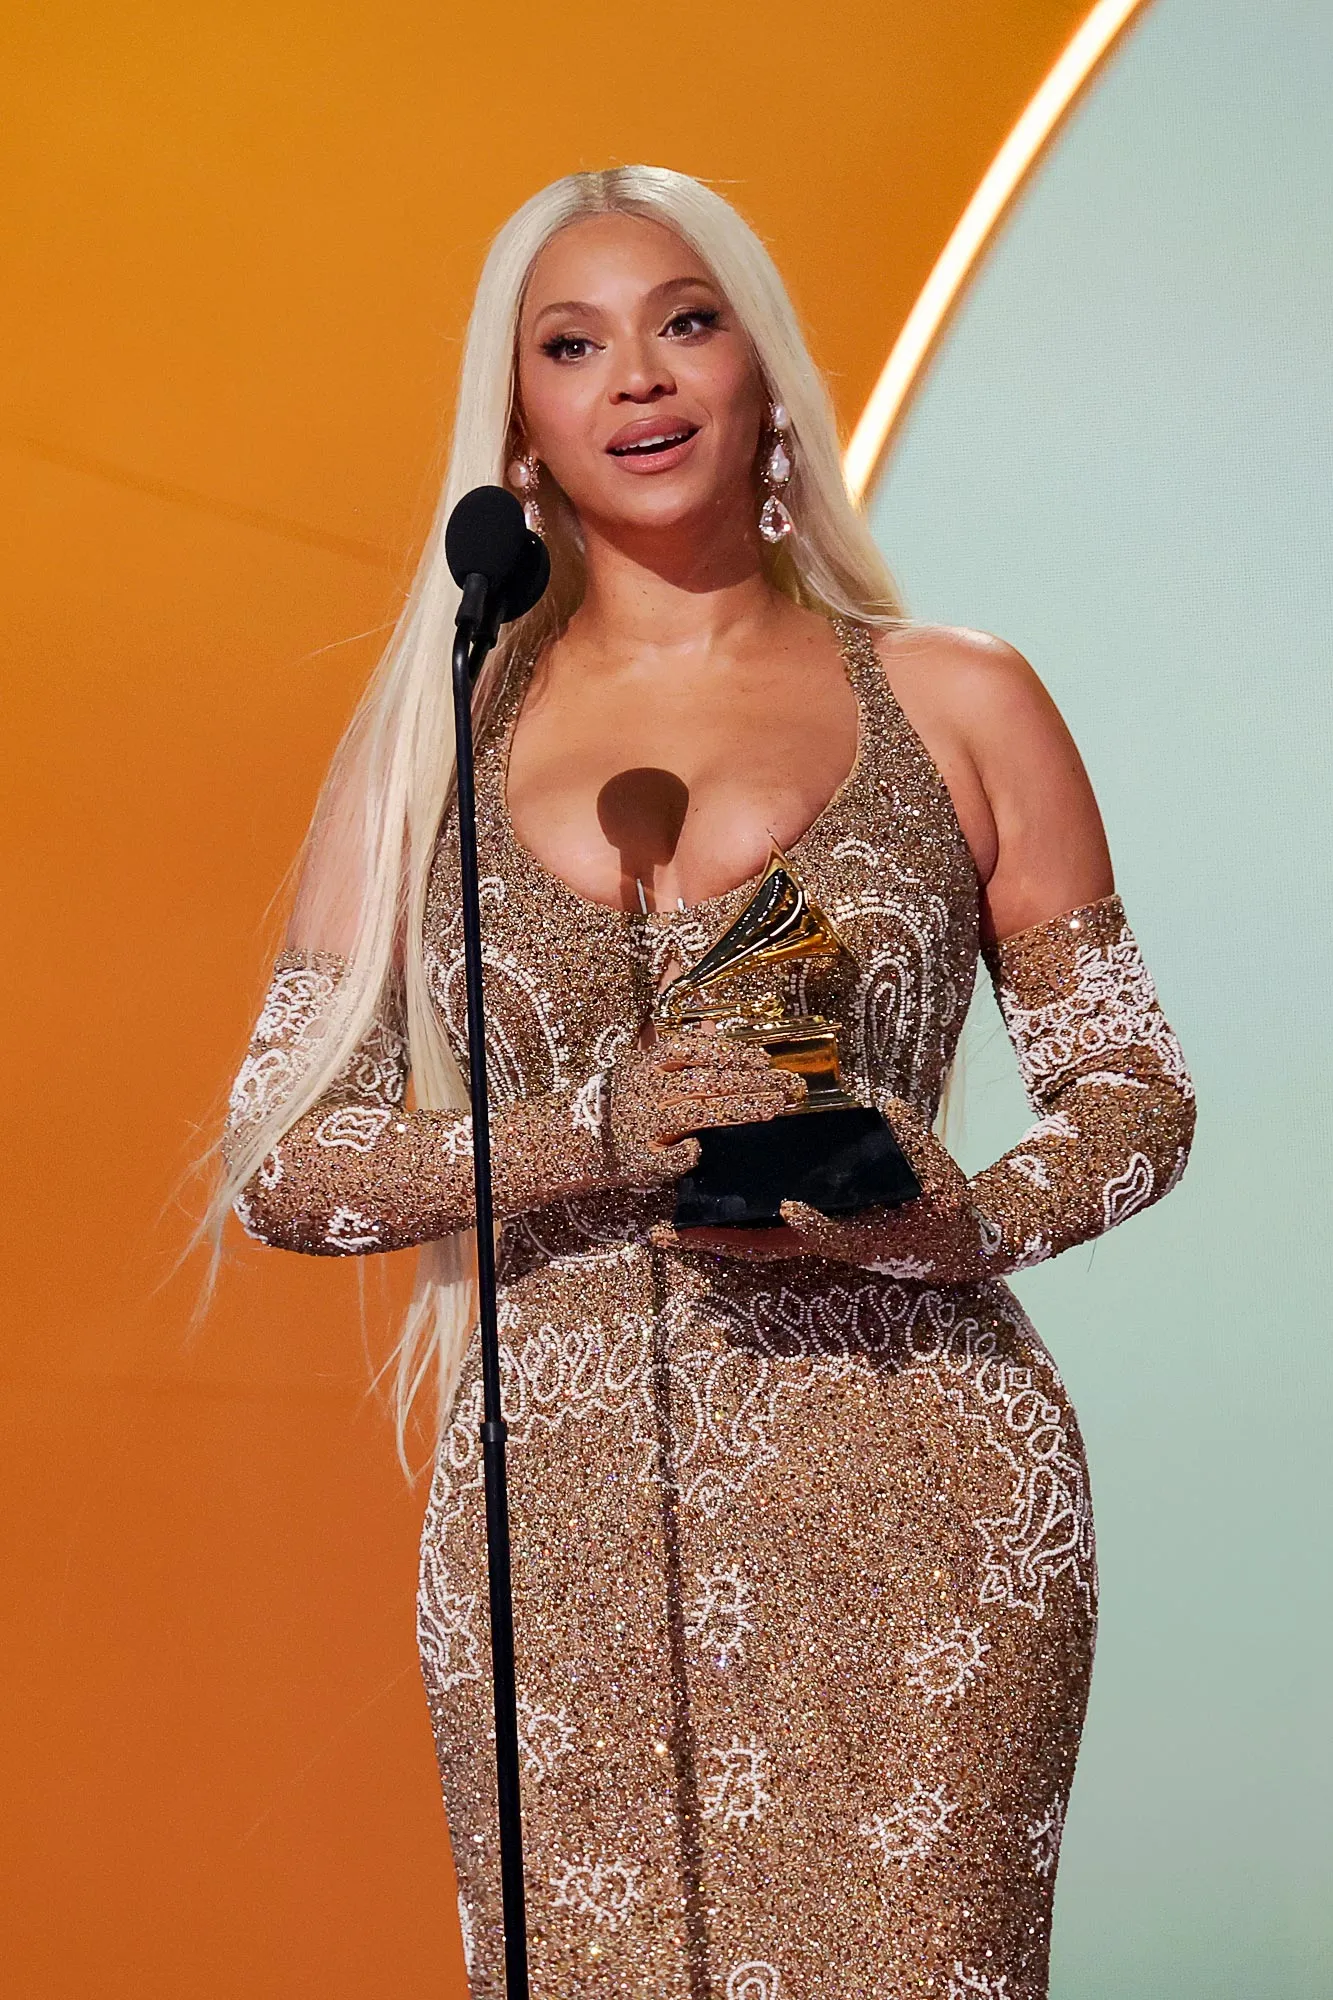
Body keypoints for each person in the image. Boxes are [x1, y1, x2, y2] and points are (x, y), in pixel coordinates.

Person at [216, 166, 1195, 2000]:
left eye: (686, 320)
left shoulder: (961, 697)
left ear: (763, 373)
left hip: (926, 1516)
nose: (639, 379)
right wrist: (593, 1130)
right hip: (563, 1526)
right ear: (521, 426)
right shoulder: (437, 741)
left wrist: (951, 1217)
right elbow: (291, 1164)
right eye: (573, 346)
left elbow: (1135, 1095)